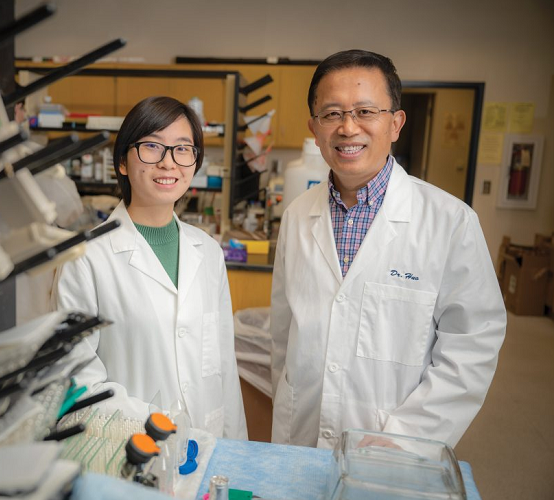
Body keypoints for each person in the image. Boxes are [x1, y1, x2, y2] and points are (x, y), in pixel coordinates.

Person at [270, 49, 506, 449]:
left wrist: (405, 438)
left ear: (395, 123)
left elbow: (472, 346)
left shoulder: (450, 222)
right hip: (300, 436)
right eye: (332, 114)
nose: (348, 128)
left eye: (365, 111)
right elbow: (282, 333)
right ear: (314, 127)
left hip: (395, 448)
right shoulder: (296, 216)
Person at [56, 96, 247, 439]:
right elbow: (77, 382)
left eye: (182, 149)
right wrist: (157, 424)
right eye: (152, 147)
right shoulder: (86, 256)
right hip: (130, 448)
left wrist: (236, 457)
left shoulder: (206, 251)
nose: (168, 163)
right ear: (123, 162)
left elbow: (223, 369)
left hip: (208, 448)